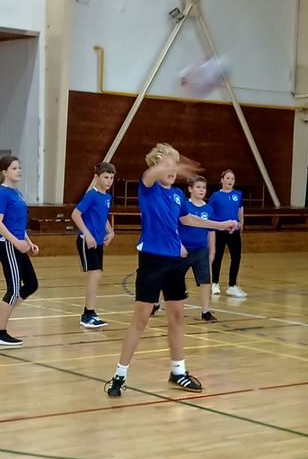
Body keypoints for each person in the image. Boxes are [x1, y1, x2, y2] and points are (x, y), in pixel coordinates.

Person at [105, 143, 205, 397]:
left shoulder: (178, 195)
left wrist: (221, 224)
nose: (172, 170)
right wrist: (168, 164)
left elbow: (188, 219)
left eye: (175, 166)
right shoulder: (148, 187)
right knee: (141, 319)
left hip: (174, 262)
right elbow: (151, 174)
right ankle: (119, 376)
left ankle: (178, 371)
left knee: (177, 317)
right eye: (167, 166)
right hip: (152, 260)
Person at [0, 154, 39, 348]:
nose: (19, 171)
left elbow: (17, 223)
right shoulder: (3, 193)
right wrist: (16, 242)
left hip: (17, 243)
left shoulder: (16, 193)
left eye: (19, 167)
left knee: (31, 284)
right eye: (14, 168)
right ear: (4, 172)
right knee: (14, 289)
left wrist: (28, 242)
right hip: (7, 245)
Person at [181, 175, 237, 324]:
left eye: (204, 188)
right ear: (190, 189)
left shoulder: (208, 209)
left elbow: (211, 230)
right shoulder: (184, 206)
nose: (201, 190)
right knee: (172, 277)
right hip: (184, 249)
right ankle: (156, 303)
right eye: (198, 187)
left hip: (201, 250)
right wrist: (178, 245)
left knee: (205, 281)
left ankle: (205, 311)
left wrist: (212, 251)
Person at [71, 161, 116, 329]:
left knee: (96, 275)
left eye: (111, 177)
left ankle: (89, 312)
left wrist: (111, 232)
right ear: (97, 177)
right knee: (95, 275)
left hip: (98, 241)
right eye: (105, 177)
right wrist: (88, 234)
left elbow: (102, 217)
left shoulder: (107, 197)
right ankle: (87, 314)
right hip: (86, 240)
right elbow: (76, 214)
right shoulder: (91, 195)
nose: (109, 181)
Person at [209, 168, 246, 297]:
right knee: (218, 256)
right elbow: (210, 211)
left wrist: (241, 222)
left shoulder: (238, 194)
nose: (230, 181)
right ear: (222, 180)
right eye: (228, 178)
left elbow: (240, 208)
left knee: (236, 256)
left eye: (232, 179)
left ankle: (232, 285)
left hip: (233, 231)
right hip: (220, 230)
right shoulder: (215, 196)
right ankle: (215, 283)